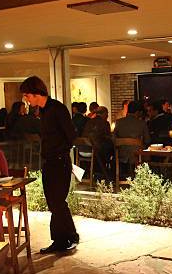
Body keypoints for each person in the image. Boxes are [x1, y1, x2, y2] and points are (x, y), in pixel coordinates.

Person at [21, 75, 79, 253]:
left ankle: (62, 240)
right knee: (55, 202)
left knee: (57, 202)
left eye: (27, 96)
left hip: (59, 161)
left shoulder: (57, 109)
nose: (26, 99)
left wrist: (59, 151)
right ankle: (70, 235)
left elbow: (71, 135)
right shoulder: (43, 111)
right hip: (49, 161)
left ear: (36, 93)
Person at [114, 100, 151, 165]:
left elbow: (114, 139)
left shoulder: (118, 122)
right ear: (137, 112)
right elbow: (147, 140)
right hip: (138, 157)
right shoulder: (142, 123)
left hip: (121, 156)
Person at [83, 106, 114, 176]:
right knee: (113, 149)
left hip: (86, 149)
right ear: (104, 113)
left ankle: (98, 171)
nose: (108, 115)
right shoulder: (105, 123)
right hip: (98, 150)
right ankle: (110, 172)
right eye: (107, 113)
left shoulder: (89, 122)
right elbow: (108, 136)